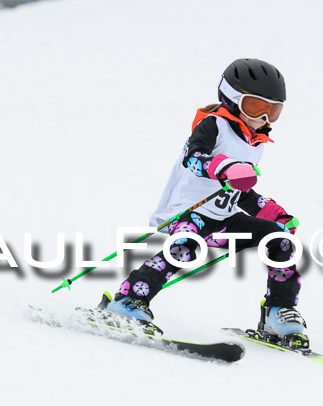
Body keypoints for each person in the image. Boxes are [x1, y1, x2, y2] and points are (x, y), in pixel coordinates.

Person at [98, 58, 306, 339]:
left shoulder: (254, 142)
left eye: (273, 111)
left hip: (223, 222)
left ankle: (277, 312)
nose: (264, 119)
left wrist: (273, 213)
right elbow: (193, 159)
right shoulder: (213, 125)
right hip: (187, 213)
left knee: (280, 240)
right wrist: (226, 167)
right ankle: (128, 300)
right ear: (232, 99)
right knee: (185, 246)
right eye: (255, 107)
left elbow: (238, 191)